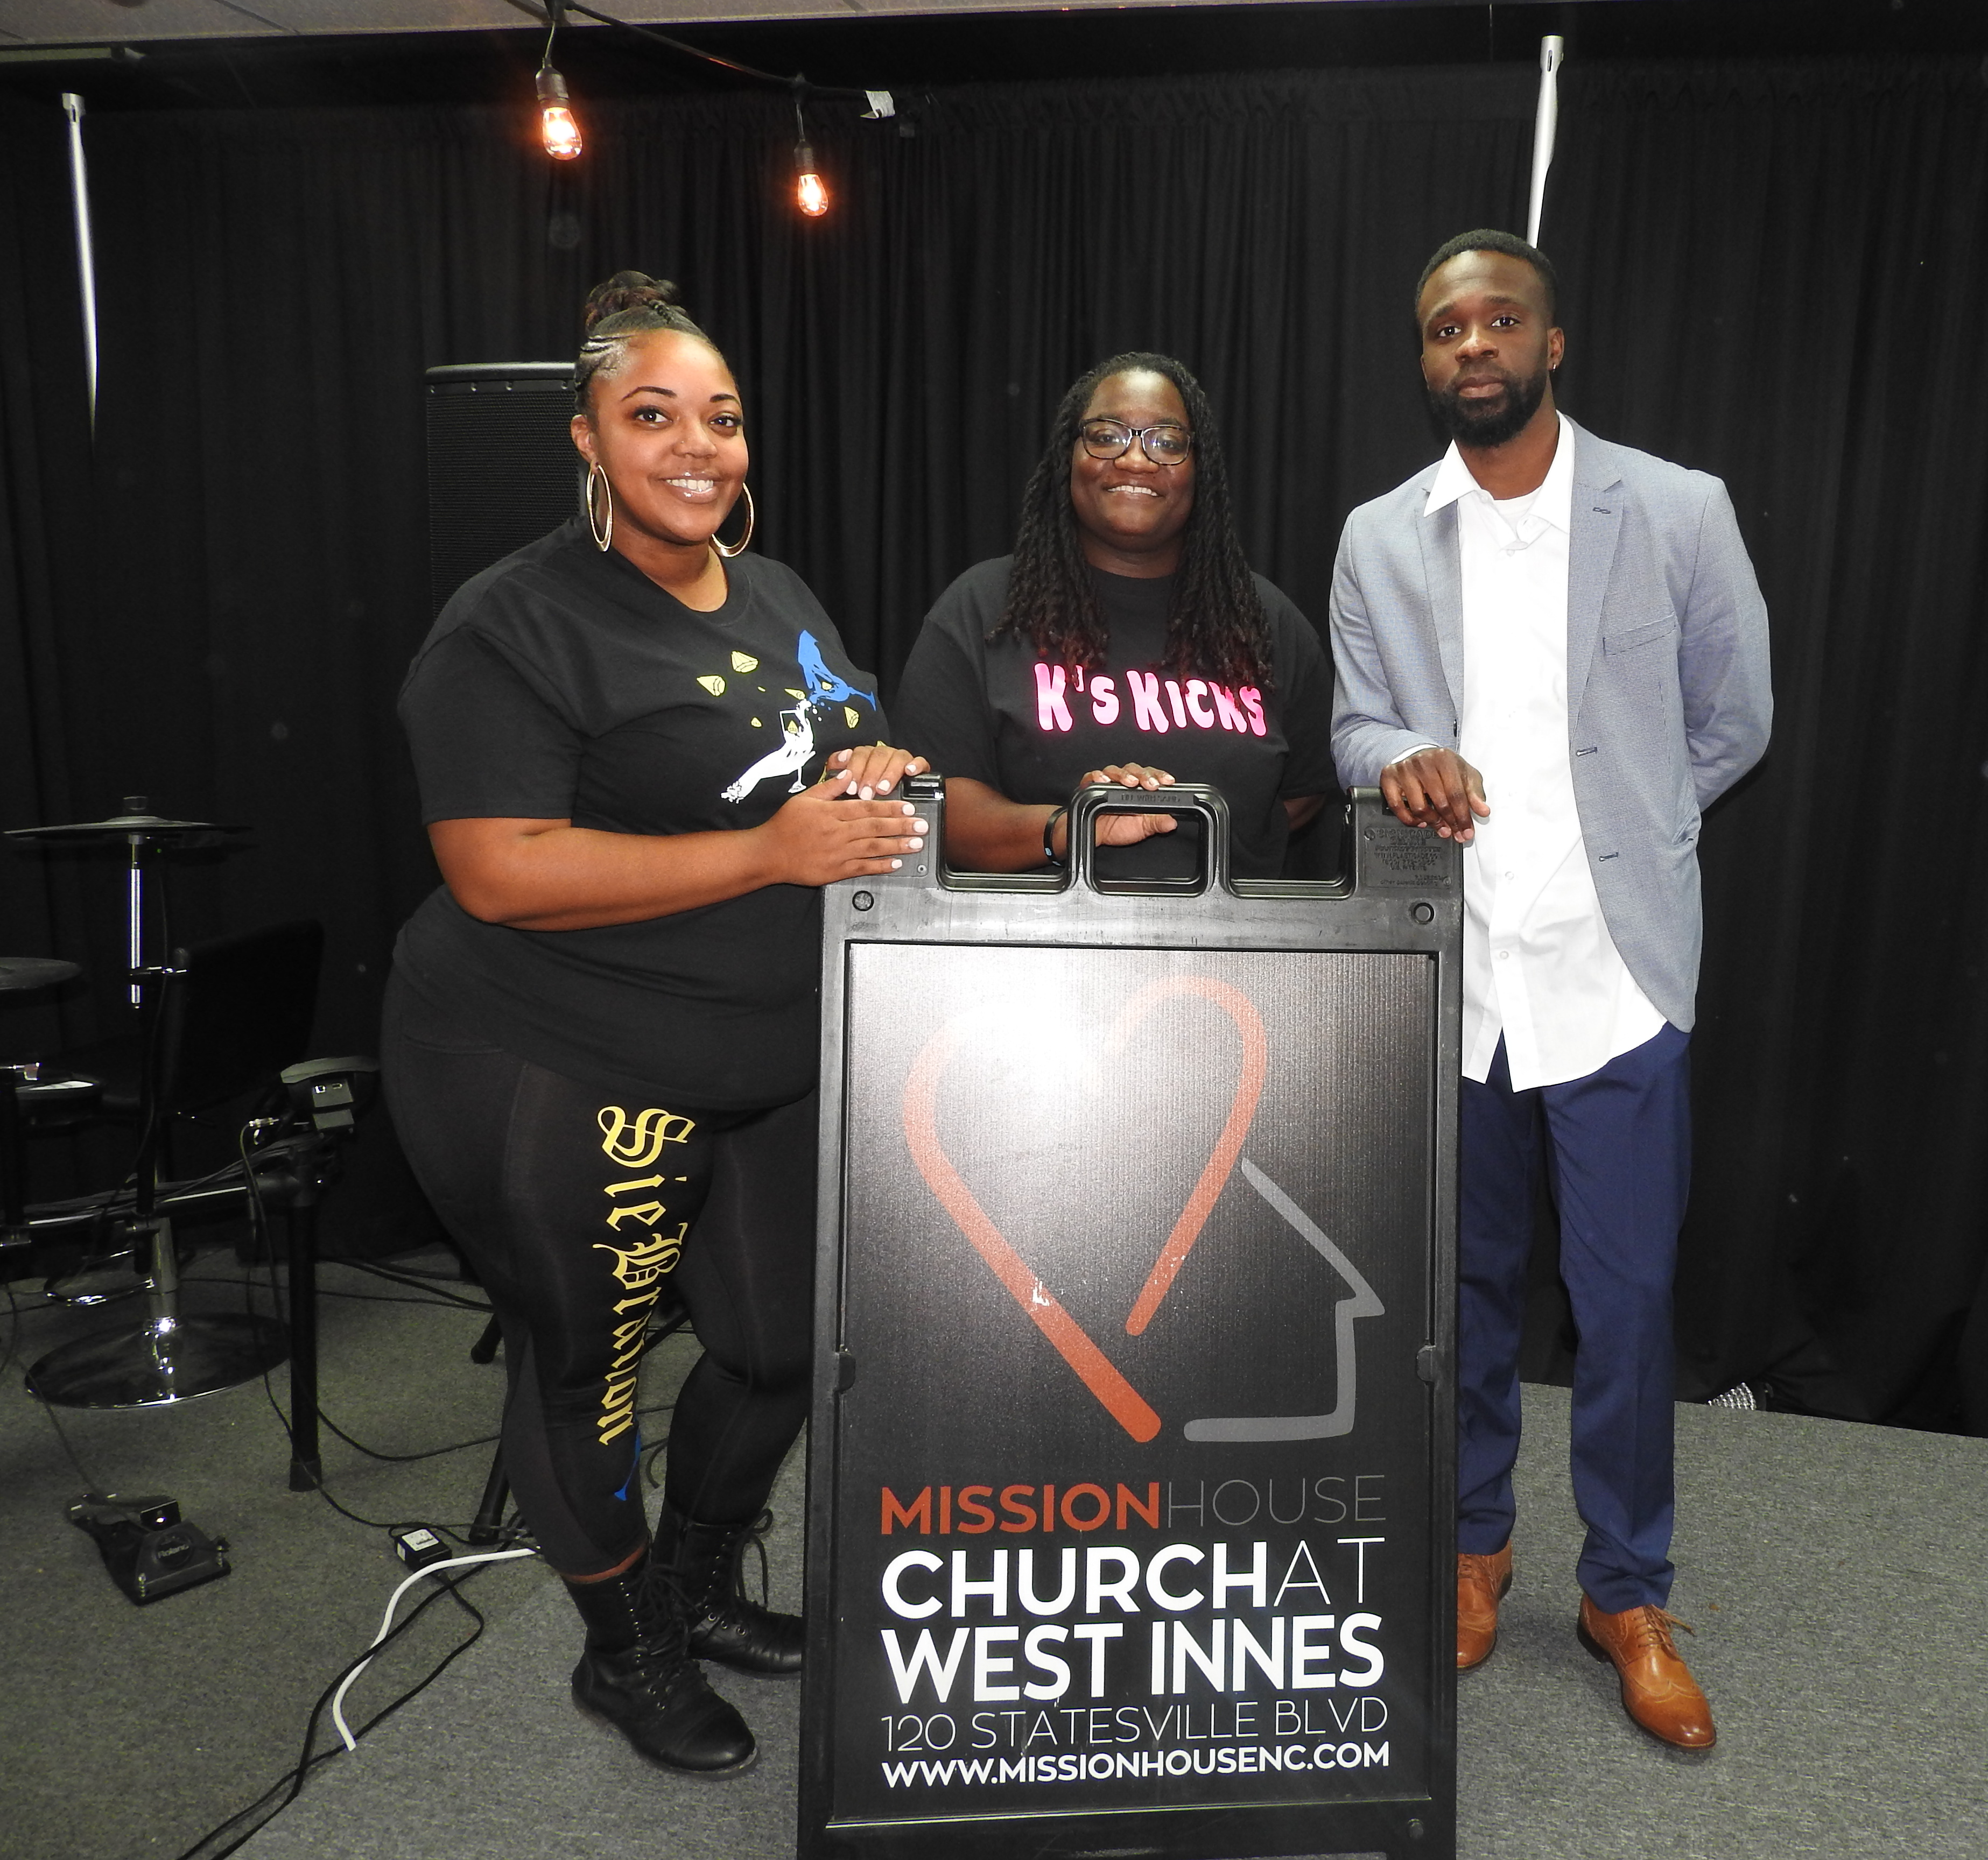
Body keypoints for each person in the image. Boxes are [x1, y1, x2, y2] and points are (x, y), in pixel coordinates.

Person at [382, 272, 928, 1777]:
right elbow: (498, 869)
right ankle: (624, 1650)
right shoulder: (512, 622)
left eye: (723, 418)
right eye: (654, 415)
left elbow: (827, 744)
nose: (698, 445)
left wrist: (878, 767)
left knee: (780, 1347)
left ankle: (690, 1590)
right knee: (585, 1365)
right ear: (588, 438)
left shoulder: (777, 590)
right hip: (550, 1052)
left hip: (753, 1055)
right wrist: (768, 852)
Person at [1329, 231, 1772, 1749]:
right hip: (1458, 986)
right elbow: (1353, 725)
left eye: (1500, 319)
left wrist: (1625, 825)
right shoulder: (1379, 536)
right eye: (1446, 327)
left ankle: (1624, 1590)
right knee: (1459, 1296)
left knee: (1629, 1303)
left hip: (1613, 982)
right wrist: (1402, 756)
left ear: (1551, 342)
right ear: (1426, 356)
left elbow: (1735, 718)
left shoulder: (1678, 509)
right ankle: (1473, 1550)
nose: (1474, 345)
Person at [895, 351, 1335, 879]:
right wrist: (1074, 827)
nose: (1135, 460)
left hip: (1232, 931)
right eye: (1107, 436)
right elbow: (937, 804)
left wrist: (1221, 855)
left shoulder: (1267, 621)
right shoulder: (982, 609)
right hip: (1033, 929)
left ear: (1201, 469)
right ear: (1069, 455)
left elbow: (1307, 789)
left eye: (1167, 442)